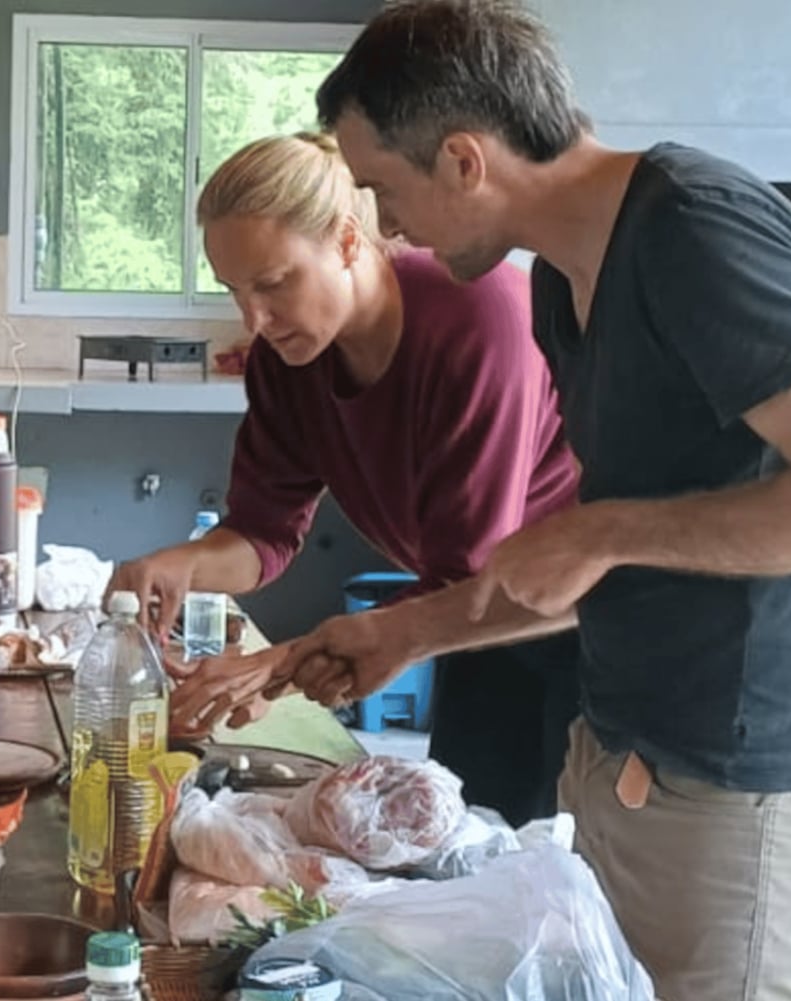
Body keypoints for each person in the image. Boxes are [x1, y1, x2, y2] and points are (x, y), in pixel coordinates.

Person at [280, 1, 791, 997]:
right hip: (623, 745)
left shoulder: (696, 230)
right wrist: (406, 634)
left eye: (381, 188)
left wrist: (603, 525)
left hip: (742, 770)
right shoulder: (559, 283)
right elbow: (599, 560)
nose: (380, 224)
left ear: (464, 160)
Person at [110, 131, 582, 827]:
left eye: (273, 283)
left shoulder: (479, 320)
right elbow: (264, 533)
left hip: (579, 618)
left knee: (569, 867)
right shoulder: (288, 356)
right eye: (235, 291)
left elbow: (466, 576)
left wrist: (278, 665)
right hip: (466, 624)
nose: (254, 320)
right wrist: (179, 563)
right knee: (470, 848)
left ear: (348, 241)